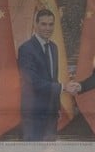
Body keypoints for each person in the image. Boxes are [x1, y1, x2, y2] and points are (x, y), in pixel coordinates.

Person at [17, 8, 64, 141]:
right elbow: (33, 81)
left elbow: (53, 78)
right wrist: (63, 87)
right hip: (33, 115)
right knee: (32, 151)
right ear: (35, 24)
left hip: (52, 114)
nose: (48, 28)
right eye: (43, 24)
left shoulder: (54, 48)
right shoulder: (26, 49)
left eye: (51, 24)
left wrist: (57, 106)